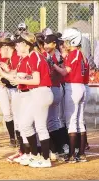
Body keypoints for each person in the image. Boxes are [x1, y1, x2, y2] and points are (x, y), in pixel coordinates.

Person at [9, 32, 53, 168]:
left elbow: (37, 80)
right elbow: (32, 78)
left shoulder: (34, 57)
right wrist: (20, 79)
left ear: (26, 45)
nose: (17, 46)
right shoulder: (32, 57)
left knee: (40, 127)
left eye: (19, 43)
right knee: (25, 124)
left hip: (41, 92)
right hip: (37, 93)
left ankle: (45, 159)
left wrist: (19, 79)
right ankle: (35, 155)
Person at [0, 33, 31, 163]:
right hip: (19, 92)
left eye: (1, 48)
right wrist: (3, 75)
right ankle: (23, 151)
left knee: (22, 123)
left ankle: (27, 152)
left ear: (7, 47)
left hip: (23, 92)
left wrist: (1, 78)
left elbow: (15, 80)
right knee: (20, 122)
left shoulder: (15, 58)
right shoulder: (13, 59)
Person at [58, 28, 87, 163]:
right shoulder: (80, 54)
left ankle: (71, 155)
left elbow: (65, 72)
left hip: (73, 87)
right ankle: (81, 154)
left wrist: (54, 66)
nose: (65, 44)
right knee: (79, 121)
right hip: (80, 87)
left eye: (67, 41)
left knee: (71, 122)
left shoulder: (73, 53)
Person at [43, 34, 66, 160]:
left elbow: (62, 71)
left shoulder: (56, 55)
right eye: (45, 43)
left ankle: (57, 149)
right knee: (52, 120)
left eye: (49, 43)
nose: (46, 46)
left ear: (54, 44)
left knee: (52, 121)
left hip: (55, 88)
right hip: (52, 88)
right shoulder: (49, 54)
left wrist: (53, 65)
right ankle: (58, 148)